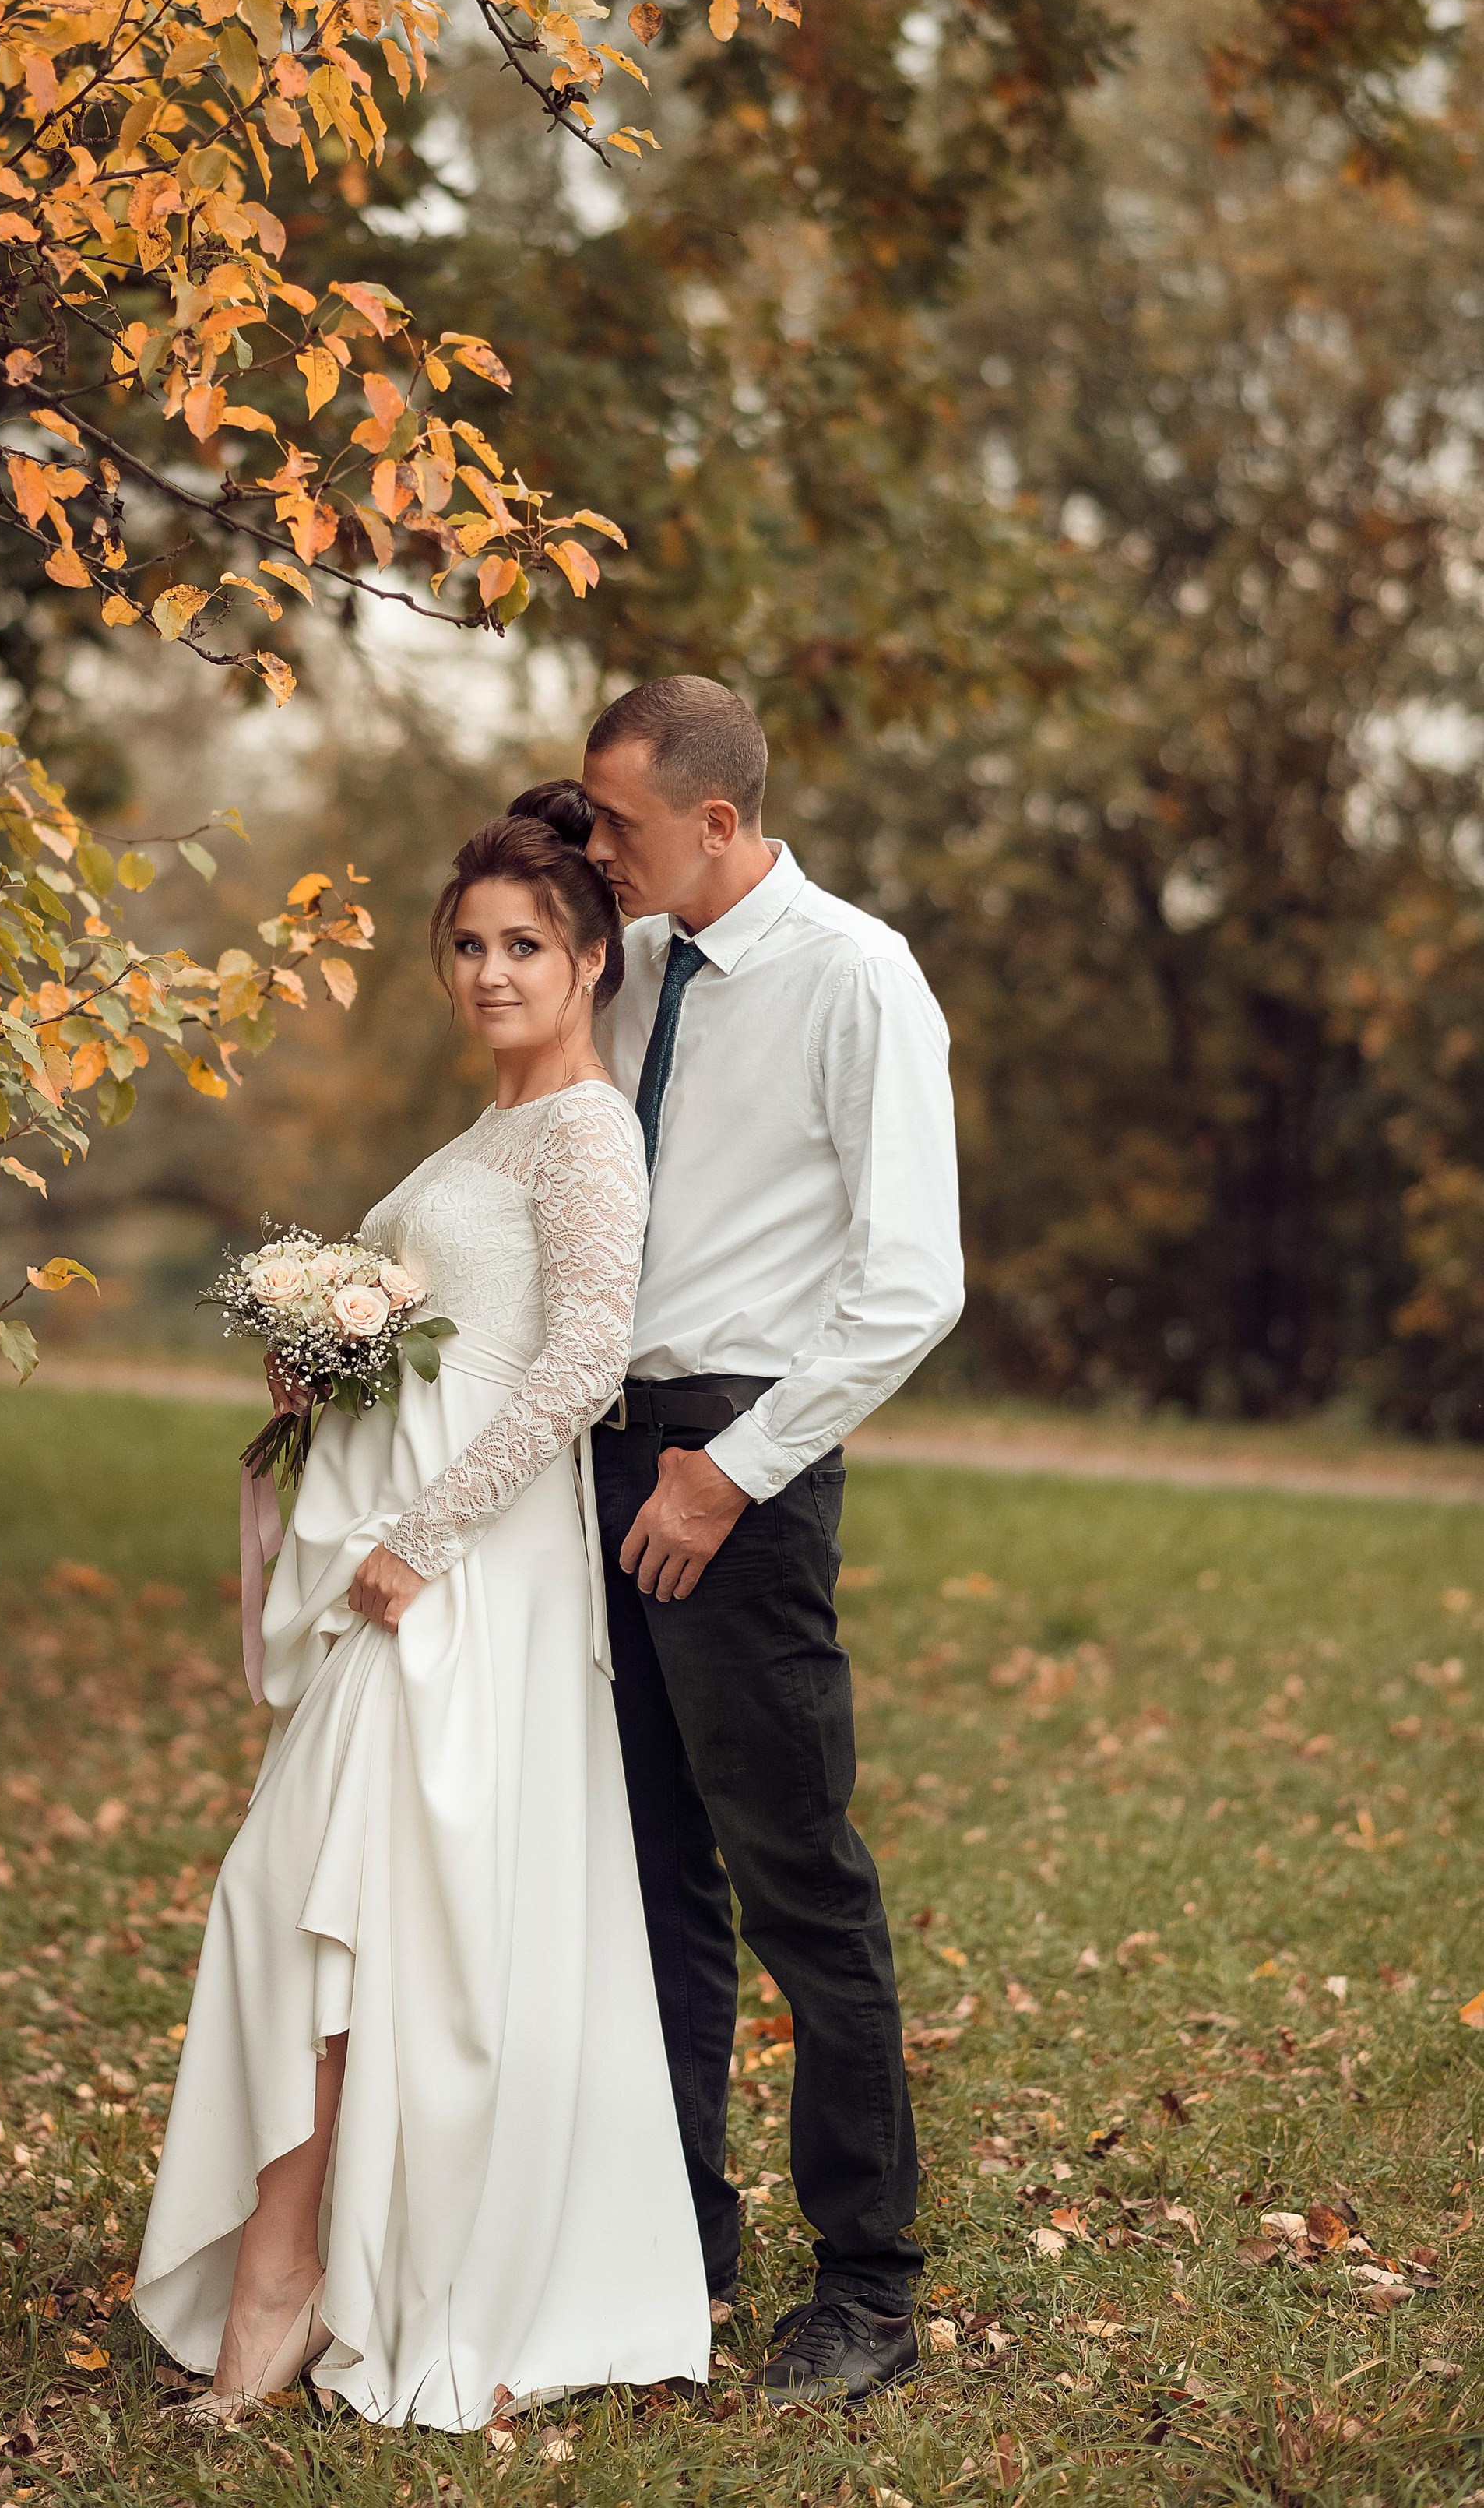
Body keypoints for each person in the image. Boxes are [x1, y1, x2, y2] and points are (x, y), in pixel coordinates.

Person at [132, 787, 709, 2431]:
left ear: (590, 959)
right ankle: (291, 2264)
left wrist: (426, 1536)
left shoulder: (587, 1130)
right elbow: (447, 1334)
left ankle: (293, 2280)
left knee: (357, 1913)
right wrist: (326, 1359)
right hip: (408, 1560)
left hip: (472, 1577)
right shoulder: (475, 1137)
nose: (488, 972)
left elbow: (585, 1361)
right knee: (312, 1907)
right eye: (465, 946)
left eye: (523, 944)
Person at [581, 674, 964, 2411]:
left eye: (621, 827)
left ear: (720, 822)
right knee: (655, 1880)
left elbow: (906, 1285)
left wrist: (724, 1472)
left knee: (797, 1882)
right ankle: (676, 2240)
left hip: (739, 1461)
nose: (595, 853)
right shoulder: (641, 966)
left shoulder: (853, 975)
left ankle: (867, 2286)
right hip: (601, 1451)